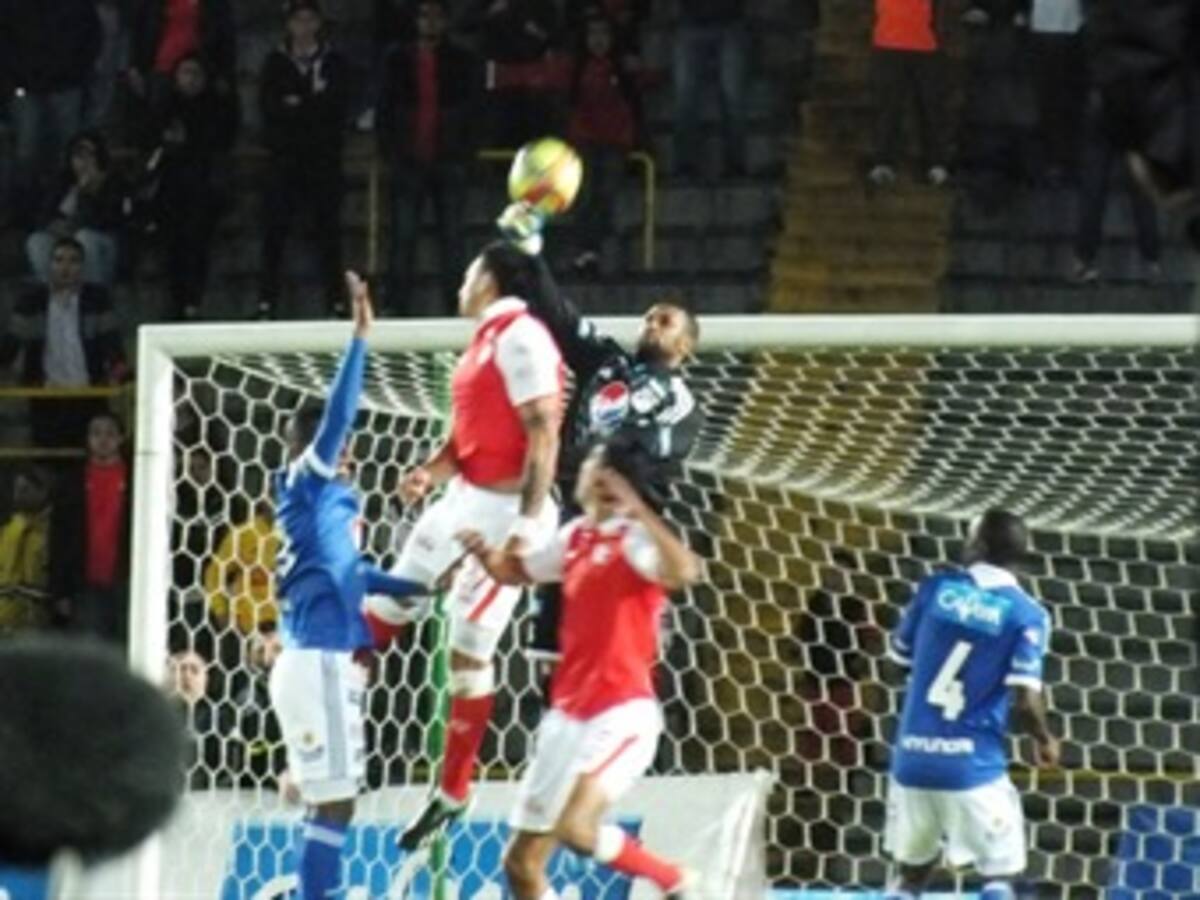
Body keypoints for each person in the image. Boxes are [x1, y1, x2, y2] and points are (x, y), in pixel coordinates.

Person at [456, 437, 701, 899]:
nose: (606, 479)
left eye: (618, 474)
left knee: (576, 828)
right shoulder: (575, 537)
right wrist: (483, 553)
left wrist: (639, 510)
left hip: (620, 714)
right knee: (521, 865)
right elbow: (515, 572)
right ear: (583, 476)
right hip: (565, 718)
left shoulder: (635, 539)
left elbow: (684, 572)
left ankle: (672, 878)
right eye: (599, 467)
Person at [393, 241, 565, 851]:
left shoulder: (523, 337)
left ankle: (453, 790)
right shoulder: (481, 342)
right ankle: (337, 739)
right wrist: (427, 472)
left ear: (490, 280)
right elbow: (464, 439)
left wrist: (524, 526)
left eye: (470, 272)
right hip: (461, 499)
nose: (461, 283)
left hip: (507, 514)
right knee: (383, 609)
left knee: (467, 652)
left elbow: (544, 432)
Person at [268, 272, 430, 900]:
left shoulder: (325, 507)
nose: (350, 453)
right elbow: (338, 416)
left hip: (313, 661)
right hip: (319, 661)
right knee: (336, 804)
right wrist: (360, 338)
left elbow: (353, 575)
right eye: (344, 447)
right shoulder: (307, 481)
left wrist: (419, 585)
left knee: (331, 804)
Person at [496, 203, 703, 673]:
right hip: (572, 525)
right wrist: (530, 251)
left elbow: (642, 460)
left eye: (665, 321)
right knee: (551, 657)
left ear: (686, 346)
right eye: (649, 317)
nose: (652, 324)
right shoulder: (607, 363)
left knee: (618, 659)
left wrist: (574, 458)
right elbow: (560, 316)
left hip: (629, 535)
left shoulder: (683, 404)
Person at [883, 509, 1059, 899]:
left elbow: (895, 664)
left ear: (977, 545)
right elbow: (1026, 702)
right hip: (973, 766)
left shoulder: (934, 589)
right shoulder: (1027, 614)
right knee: (1003, 876)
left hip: (912, 759)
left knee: (911, 875)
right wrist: (1044, 739)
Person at [376, 0, 479, 315]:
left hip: (449, 159)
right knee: (403, 237)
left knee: (453, 239)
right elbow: (385, 107)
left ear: (445, 21)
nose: (431, 22)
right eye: (425, 15)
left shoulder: (462, 60)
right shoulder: (397, 60)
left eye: (437, 16)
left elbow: (474, 109)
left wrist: (465, 152)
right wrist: (391, 150)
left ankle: (456, 306)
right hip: (409, 159)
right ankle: (396, 306)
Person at [257, 0, 350, 320]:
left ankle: (336, 303)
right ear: (289, 24)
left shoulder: (334, 62)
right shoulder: (274, 62)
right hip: (283, 161)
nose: (304, 26)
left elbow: (337, 108)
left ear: (319, 23)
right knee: (274, 233)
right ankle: (266, 303)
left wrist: (299, 104)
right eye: (298, 19)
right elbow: (270, 109)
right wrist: (311, 104)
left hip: (324, 160)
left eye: (310, 19)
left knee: (329, 234)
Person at [138, 53, 239, 319]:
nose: (190, 79)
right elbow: (147, 139)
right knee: (172, 246)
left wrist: (190, 140)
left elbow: (222, 140)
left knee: (196, 243)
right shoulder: (165, 107)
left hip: (204, 189)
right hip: (170, 191)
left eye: (196, 73)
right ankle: (176, 302)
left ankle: (193, 301)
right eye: (185, 73)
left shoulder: (216, 107)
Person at [0, 237, 126, 448]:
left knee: (87, 456)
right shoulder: (31, 300)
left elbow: (112, 345)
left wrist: (119, 373)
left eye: (73, 261)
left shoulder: (97, 299)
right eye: (59, 260)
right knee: (48, 457)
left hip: (89, 393)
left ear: (83, 267)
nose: (65, 267)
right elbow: (11, 345)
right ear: (50, 265)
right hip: (46, 395)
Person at [0, 0, 101, 226]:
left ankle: (54, 208)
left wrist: (77, 72)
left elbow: (91, 36)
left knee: (64, 152)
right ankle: (23, 209)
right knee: (26, 151)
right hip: (26, 86)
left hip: (66, 86)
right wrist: (11, 81)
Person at [564, 10, 644, 275]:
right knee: (585, 196)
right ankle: (586, 251)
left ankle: (594, 252)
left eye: (604, 34)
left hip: (614, 142)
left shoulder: (624, 70)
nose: (598, 40)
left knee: (606, 196)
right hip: (585, 140)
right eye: (593, 34)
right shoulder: (576, 70)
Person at [49, 411, 132, 644]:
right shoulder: (70, 483)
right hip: (84, 583)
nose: (103, 439)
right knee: (91, 651)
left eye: (110, 433)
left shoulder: (138, 479)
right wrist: (59, 590)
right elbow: (58, 538)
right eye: (96, 433)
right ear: (87, 438)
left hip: (128, 580)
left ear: (121, 438)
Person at [1071, 89, 1162, 284]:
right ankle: (1151, 261)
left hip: (1107, 103)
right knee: (1139, 188)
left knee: (1095, 190)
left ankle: (1084, 260)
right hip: (1133, 106)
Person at [25, 130, 127, 287]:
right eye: (79, 155)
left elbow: (107, 221)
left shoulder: (113, 182)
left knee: (84, 237)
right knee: (37, 241)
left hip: (100, 241)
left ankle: (94, 293)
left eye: (90, 155)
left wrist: (87, 192)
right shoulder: (63, 182)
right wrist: (53, 225)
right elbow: (44, 215)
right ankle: (54, 292)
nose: (84, 161)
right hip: (66, 239)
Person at [867, 0, 950, 187]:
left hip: (924, 43)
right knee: (888, 106)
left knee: (930, 106)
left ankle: (935, 162)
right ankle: (883, 161)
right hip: (888, 42)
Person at [671, 0, 749, 178]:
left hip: (730, 21)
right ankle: (685, 164)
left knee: (733, 96)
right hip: (691, 21)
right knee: (685, 96)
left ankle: (735, 163)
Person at [128, 0, 236, 114]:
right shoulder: (153, 4)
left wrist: (224, 72)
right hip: (161, 69)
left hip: (198, 70)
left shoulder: (215, 4)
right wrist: (135, 65)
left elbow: (225, 35)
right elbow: (141, 29)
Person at [204, 498, 279, 636]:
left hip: (288, 623)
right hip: (249, 624)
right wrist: (221, 611)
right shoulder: (244, 534)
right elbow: (214, 573)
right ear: (265, 500)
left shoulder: (298, 533)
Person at [0, 466, 54, 633]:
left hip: (38, 620)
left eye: (25, 490)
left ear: (43, 491)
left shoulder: (53, 530)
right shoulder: (9, 528)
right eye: (16, 489)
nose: (17, 496)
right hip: (5, 617)